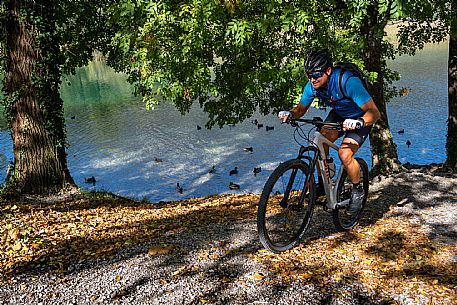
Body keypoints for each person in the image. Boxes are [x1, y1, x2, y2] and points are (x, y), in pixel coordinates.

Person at [278, 49, 381, 215]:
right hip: (340, 114)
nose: (312, 79)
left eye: (316, 74)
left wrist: (359, 122)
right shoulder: (313, 86)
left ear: (328, 71)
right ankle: (323, 182)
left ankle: (357, 190)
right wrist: (290, 114)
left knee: (345, 154)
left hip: (361, 118)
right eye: (309, 75)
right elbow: (300, 109)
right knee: (318, 140)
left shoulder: (347, 82)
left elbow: (374, 113)